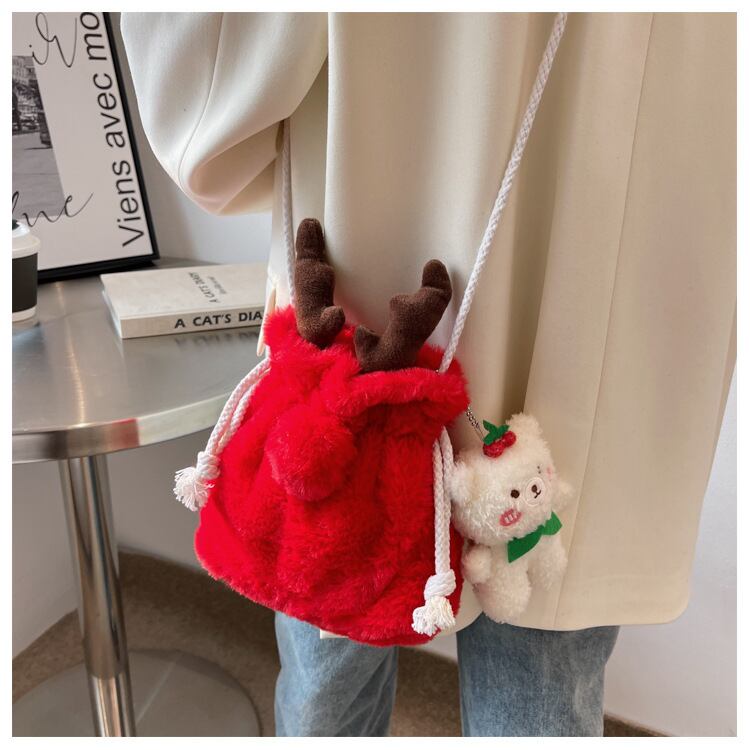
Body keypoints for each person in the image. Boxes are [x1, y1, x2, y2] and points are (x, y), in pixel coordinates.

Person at [121, 12, 736, 736]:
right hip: (624, 252)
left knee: (335, 635)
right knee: (539, 648)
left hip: (380, 204)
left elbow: (209, 91)